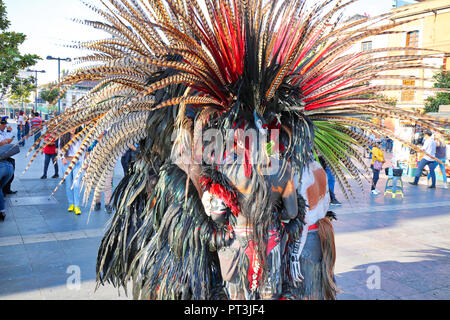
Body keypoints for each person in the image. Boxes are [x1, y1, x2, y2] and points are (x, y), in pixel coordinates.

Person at [59, 127, 84, 215]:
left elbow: (83, 150)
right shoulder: (63, 137)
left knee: (76, 184)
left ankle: (77, 205)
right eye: (70, 127)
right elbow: (60, 149)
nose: (72, 129)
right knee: (69, 184)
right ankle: (71, 204)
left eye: (74, 127)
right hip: (66, 163)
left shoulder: (80, 136)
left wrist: (83, 162)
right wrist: (62, 158)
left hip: (77, 162)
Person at [0, 118, 17, 195]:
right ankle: (3, 190)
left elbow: (9, 140)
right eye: (3, 124)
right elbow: (5, 142)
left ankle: (7, 189)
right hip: (1, 156)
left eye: (5, 124)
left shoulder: (3, 132)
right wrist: (7, 140)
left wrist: (9, 134)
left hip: (4, 155)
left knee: (11, 170)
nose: (5, 126)